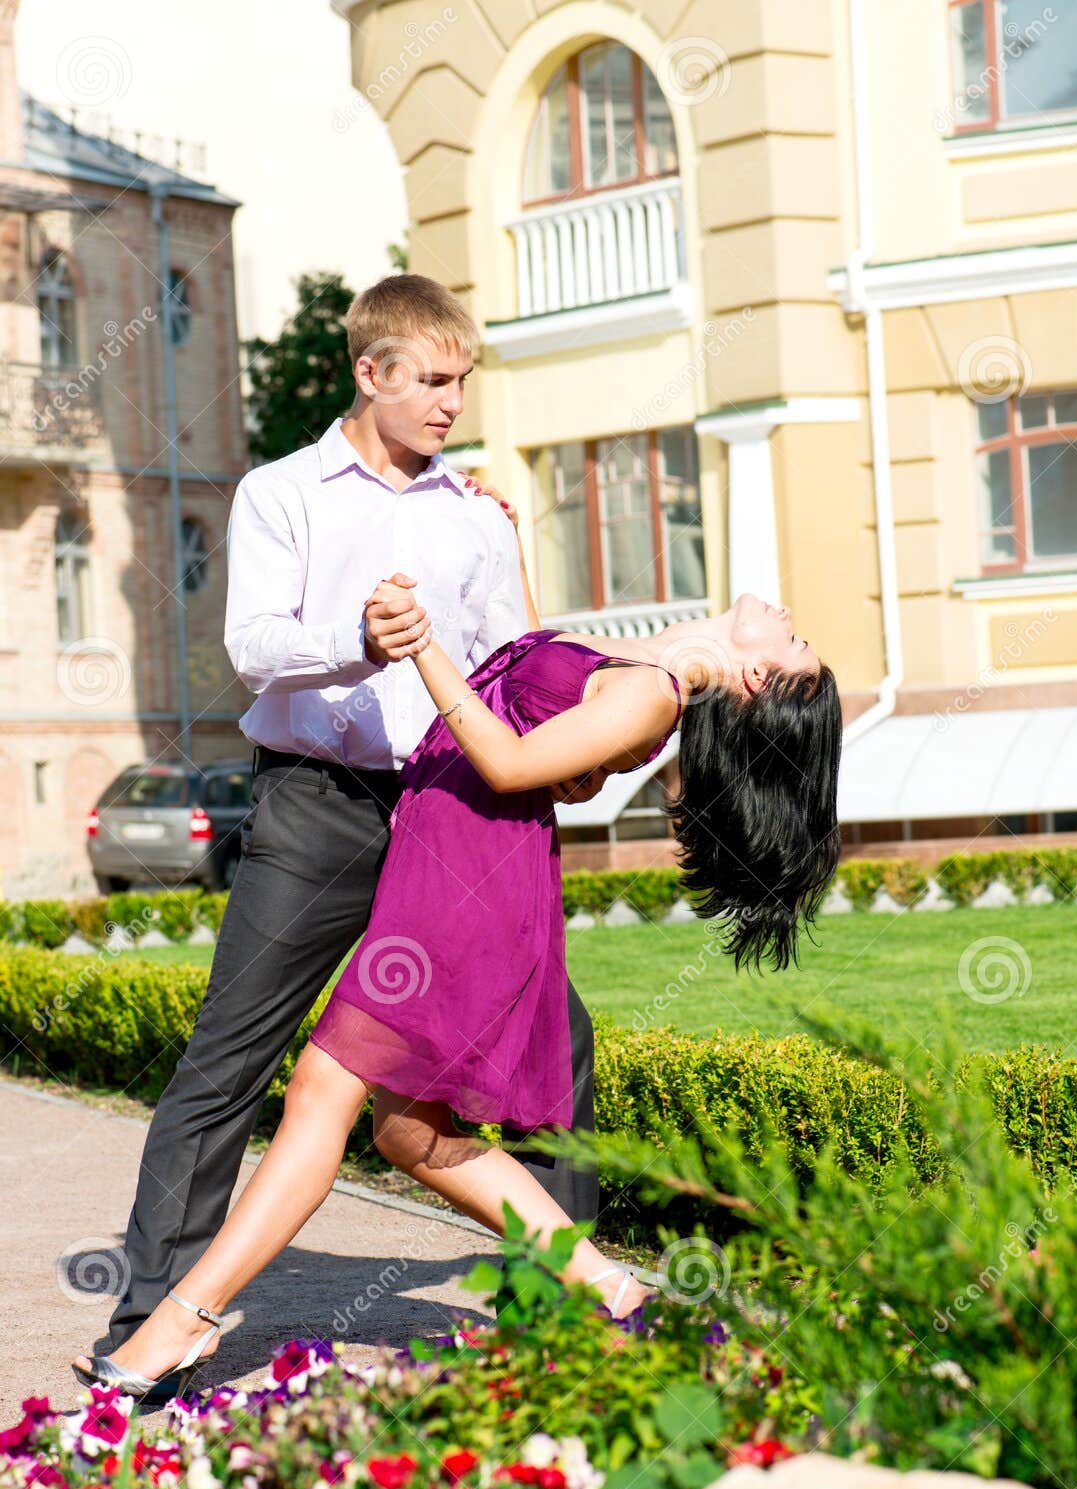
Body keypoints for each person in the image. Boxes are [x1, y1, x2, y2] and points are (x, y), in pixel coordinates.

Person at [74, 588, 842, 1400]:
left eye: (797, 645)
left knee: (319, 1093)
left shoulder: (654, 694)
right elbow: (537, 665)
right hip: (440, 877)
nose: (791, 619)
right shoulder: (642, 665)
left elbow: (507, 762)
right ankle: (615, 1293)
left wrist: (421, 645)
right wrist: (506, 539)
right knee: (410, 1134)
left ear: (757, 679)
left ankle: (185, 1319)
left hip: (465, 896)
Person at [95, 273, 603, 1406]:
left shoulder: (474, 512)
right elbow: (252, 648)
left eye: (463, 381)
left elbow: (512, 665)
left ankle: (571, 1310)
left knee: (554, 1042)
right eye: (432, 380)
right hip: (317, 807)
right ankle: (150, 1330)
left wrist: (583, 736)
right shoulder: (281, 493)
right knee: (227, 1061)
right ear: (370, 373)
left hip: (450, 813)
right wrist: (357, 639)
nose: (452, 402)